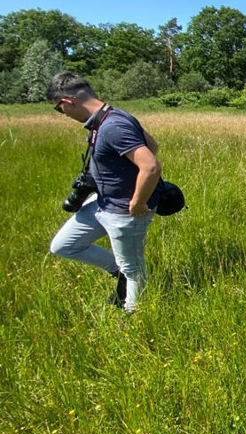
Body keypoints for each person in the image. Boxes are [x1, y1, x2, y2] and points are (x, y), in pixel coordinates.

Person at [47, 72, 162, 312]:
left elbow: (150, 165)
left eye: (59, 109)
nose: (63, 115)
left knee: (134, 269)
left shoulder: (113, 125)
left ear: (68, 102)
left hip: (124, 211)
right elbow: (153, 145)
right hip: (101, 204)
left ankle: (133, 316)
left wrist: (138, 203)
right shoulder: (107, 119)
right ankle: (117, 269)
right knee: (63, 245)